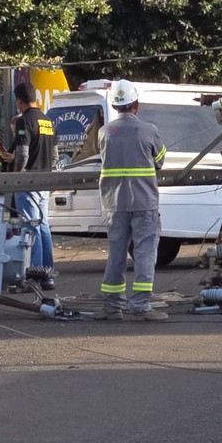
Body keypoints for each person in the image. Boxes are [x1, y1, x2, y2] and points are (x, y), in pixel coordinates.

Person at [93, 79, 168, 321]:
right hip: (144, 202)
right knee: (145, 252)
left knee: (116, 254)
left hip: (115, 203)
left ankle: (112, 307)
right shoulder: (149, 130)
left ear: (115, 106)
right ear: (136, 104)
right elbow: (160, 159)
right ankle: (141, 305)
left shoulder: (104, 133)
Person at [1, 82, 57, 290]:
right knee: (43, 227)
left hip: (29, 181)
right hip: (45, 180)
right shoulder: (48, 121)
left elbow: (22, 154)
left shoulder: (24, 121)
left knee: (31, 228)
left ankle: (34, 275)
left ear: (19, 101)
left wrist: (17, 175)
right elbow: (55, 154)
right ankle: (48, 275)